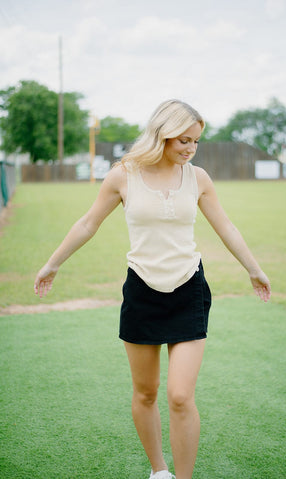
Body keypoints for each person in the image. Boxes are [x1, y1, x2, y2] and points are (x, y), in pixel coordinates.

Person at [34, 99, 271, 479]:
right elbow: (87, 223)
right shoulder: (123, 175)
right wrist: (53, 263)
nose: (191, 149)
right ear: (162, 135)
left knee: (180, 396)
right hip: (142, 292)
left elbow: (226, 227)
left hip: (188, 290)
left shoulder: (199, 178)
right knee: (146, 393)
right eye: (183, 141)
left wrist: (254, 270)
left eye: (196, 142)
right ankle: (159, 471)